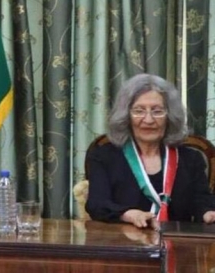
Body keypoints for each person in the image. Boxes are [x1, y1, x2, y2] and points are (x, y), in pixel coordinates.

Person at [86, 73, 215, 228]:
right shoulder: (104, 156)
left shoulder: (190, 159)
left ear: (170, 116)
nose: (148, 120)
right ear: (126, 116)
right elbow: (97, 204)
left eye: (157, 111)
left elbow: (202, 202)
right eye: (139, 111)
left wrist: (208, 213)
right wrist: (128, 214)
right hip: (123, 240)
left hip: (177, 240)